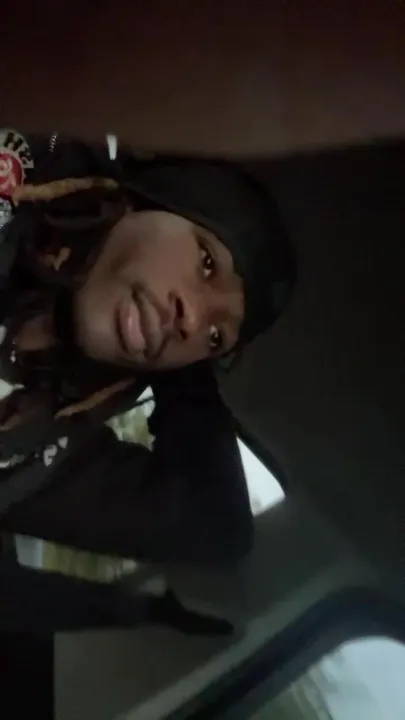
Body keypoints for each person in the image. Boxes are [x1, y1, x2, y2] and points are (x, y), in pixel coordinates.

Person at [0, 130, 295, 633]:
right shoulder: (35, 149)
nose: (193, 320)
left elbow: (215, 524)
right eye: (207, 262)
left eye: (215, 336)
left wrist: (176, 358)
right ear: (148, 201)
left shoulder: (47, 441)